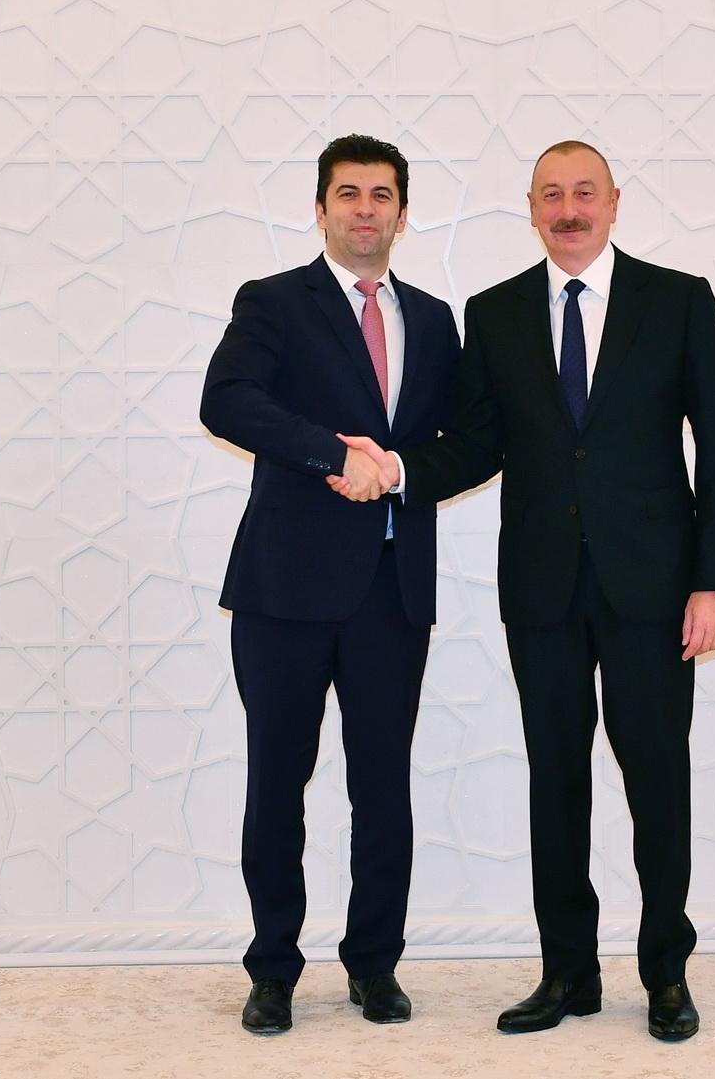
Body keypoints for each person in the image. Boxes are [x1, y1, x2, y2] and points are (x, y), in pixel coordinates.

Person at [338, 140, 715, 1042]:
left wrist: (714, 580)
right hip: (542, 590)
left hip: (654, 591)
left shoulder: (678, 300)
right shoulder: (495, 313)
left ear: (613, 202)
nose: (569, 209)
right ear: (530, 209)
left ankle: (665, 972)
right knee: (555, 783)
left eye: (584, 193)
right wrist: (397, 468)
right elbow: (476, 443)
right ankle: (567, 971)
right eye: (551, 195)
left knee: (657, 780)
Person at [199, 134, 461, 1036]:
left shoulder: (434, 320)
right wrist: (332, 455)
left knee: (382, 790)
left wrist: (401, 472)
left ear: (401, 212)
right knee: (277, 783)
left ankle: (373, 964)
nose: (364, 208)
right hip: (284, 591)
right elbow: (227, 400)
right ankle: (272, 968)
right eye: (347, 193)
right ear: (320, 209)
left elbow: (462, 439)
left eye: (380, 194)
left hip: (393, 592)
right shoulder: (273, 301)